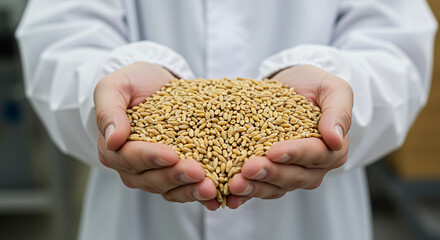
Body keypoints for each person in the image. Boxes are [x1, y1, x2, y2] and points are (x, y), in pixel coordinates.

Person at [16, 1, 436, 240]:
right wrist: (105, 91)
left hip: (310, 220)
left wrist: (339, 96)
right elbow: (60, 39)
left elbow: (396, 49)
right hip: (141, 218)